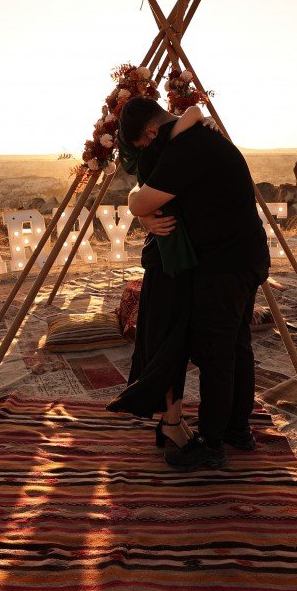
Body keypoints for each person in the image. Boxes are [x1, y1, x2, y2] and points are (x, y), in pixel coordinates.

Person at [123, 98, 270, 472]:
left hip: (225, 265)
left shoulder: (186, 148)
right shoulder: (200, 137)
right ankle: (238, 429)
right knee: (236, 343)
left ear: (152, 132)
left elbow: (140, 201)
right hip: (247, 255)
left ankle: (211, 443)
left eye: (143, 144)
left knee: (216, 352)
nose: (147, 152)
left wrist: (139, 208)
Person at [105, 100, 214, 449]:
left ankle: (171, 419)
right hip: (167, 262)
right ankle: (170, 421)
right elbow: (193, 112)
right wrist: (141, 214)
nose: (143, 147)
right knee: (166, 343)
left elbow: (192, 112)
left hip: (174, 259)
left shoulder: (164, 147)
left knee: (171, 343)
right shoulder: (160, 150)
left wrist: (140, 212)